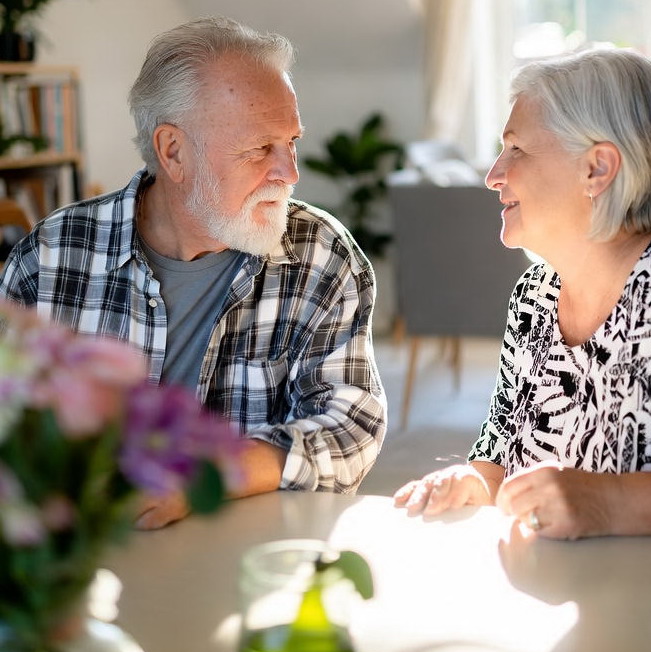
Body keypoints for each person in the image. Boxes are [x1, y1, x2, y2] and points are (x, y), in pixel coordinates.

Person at [0, 17, 387, 529]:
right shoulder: (51, 259)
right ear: (174, 151)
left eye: (291, 142)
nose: (290, 173)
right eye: (259, 149)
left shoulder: (320, 255)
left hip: (244, 549)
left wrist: (210, 474)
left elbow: (350, 426)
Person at [394, 48, 651, 540]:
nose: (493, 175)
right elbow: (498, 460)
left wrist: (611, 503)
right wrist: (473, 482)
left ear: (597, 169)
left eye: (516, 149)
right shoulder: (534, 296)